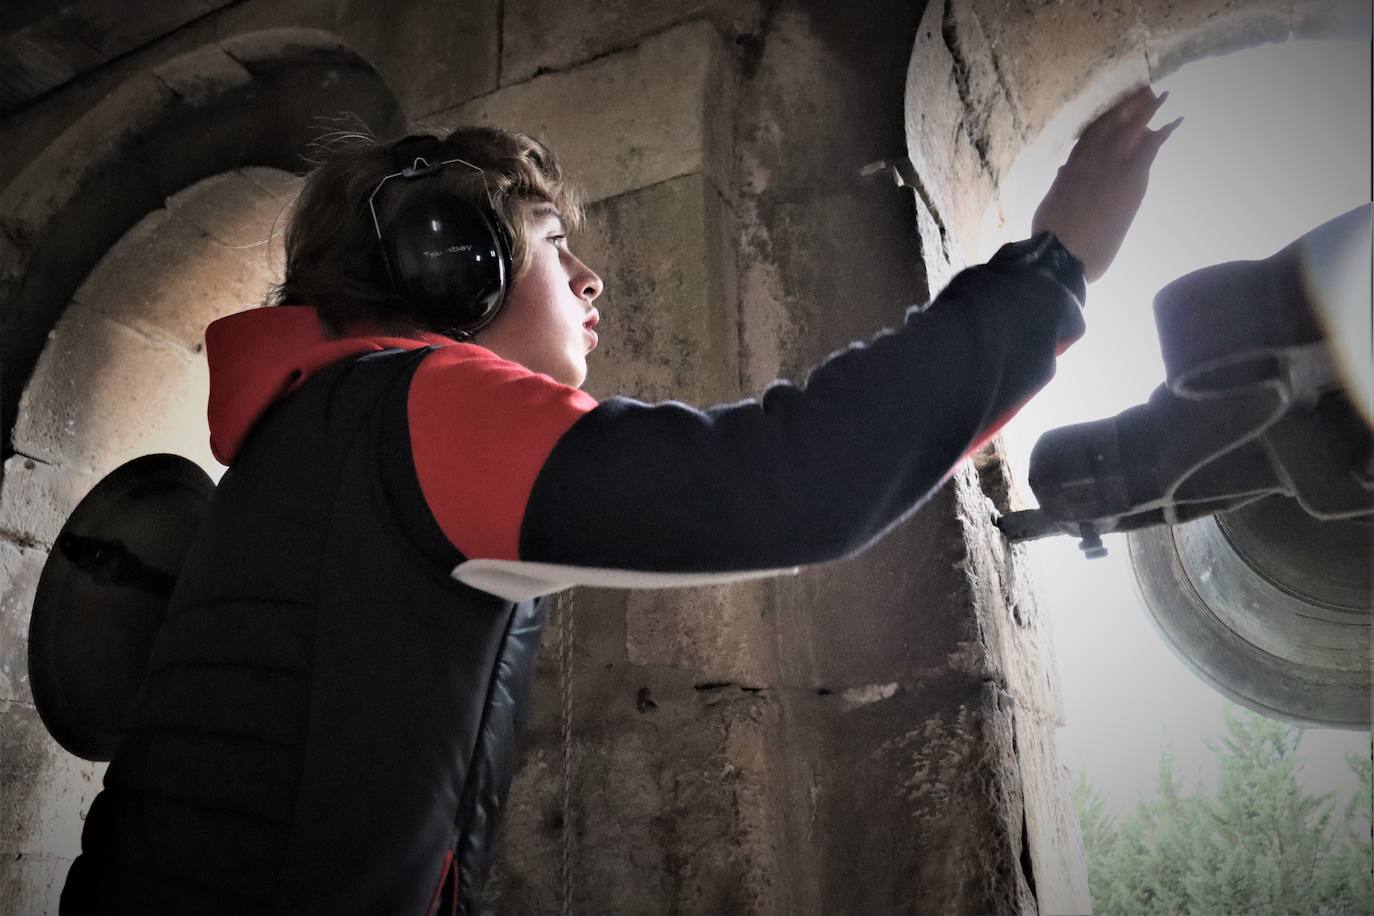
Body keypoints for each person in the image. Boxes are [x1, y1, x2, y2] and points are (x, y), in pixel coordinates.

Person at [60, 86, 1179, 915]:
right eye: (555, 246)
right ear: (461, 266)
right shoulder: (421, 404)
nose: (592, 280)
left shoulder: (308, 436)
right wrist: (1054, 270)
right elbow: (789, 483)